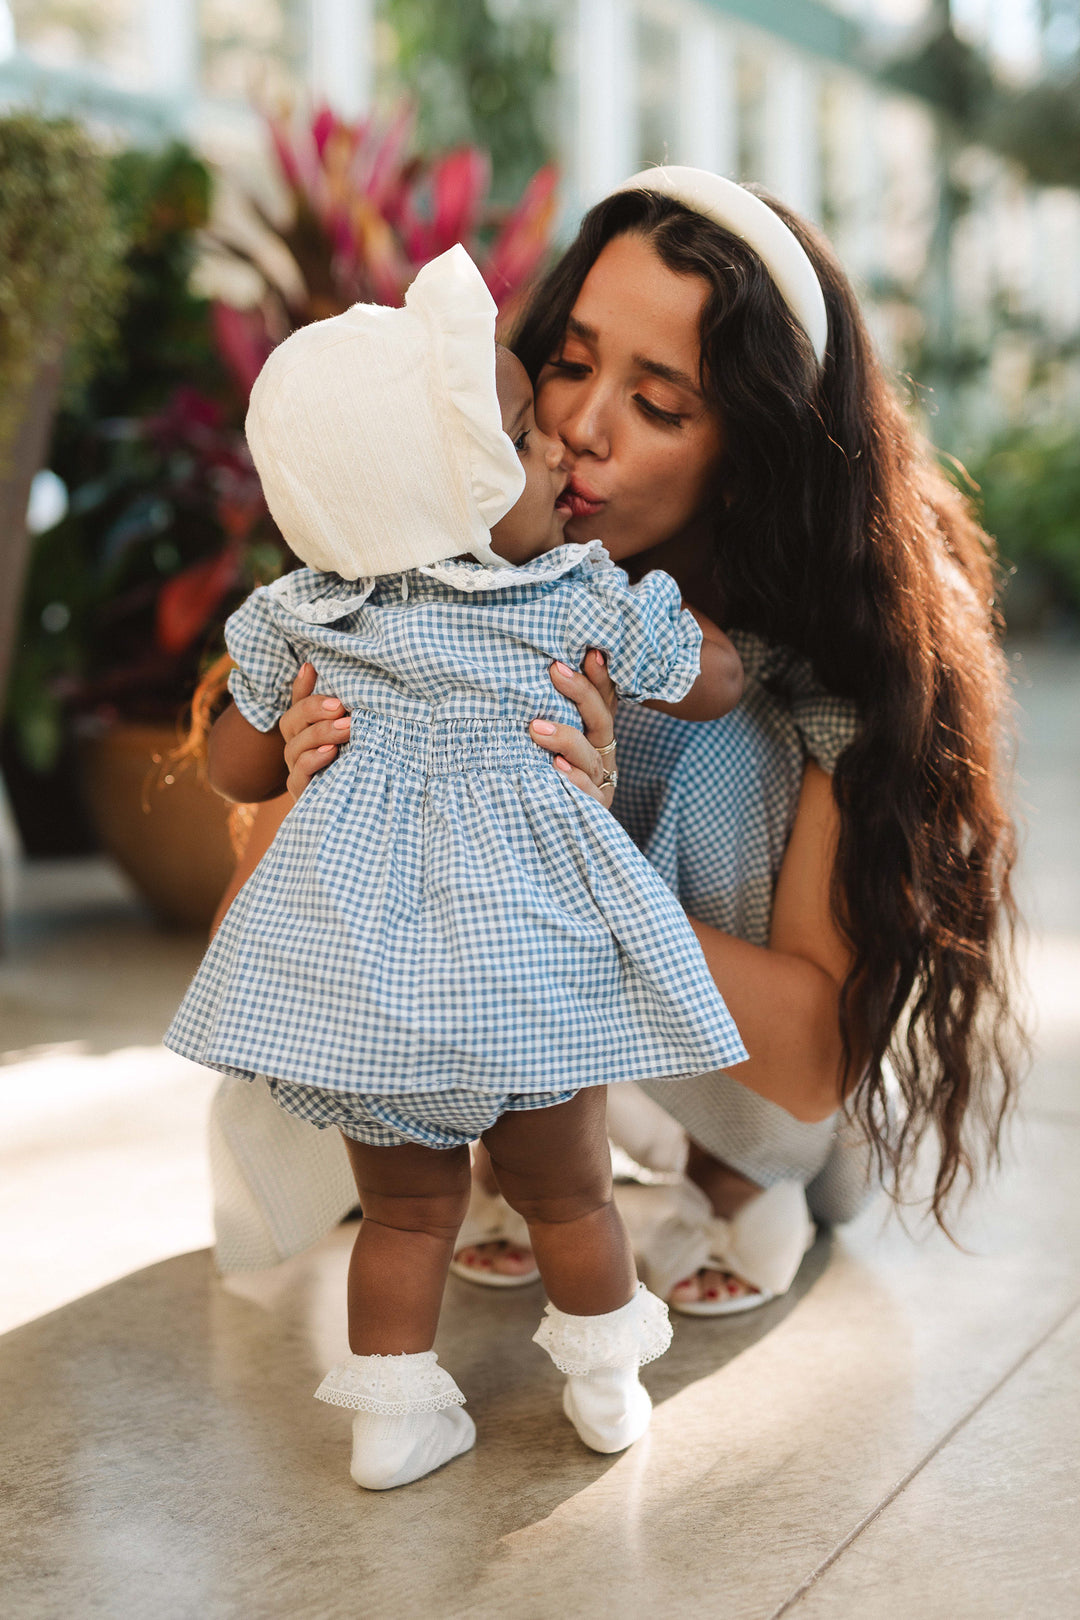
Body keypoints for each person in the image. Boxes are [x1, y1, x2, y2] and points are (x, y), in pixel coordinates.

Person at [201, 166, 1024, 1322]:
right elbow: (252, 939)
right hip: (519, 1037)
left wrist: (562, 854)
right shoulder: (416, 595)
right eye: (571, 365)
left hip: (746, 1083)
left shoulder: (838, 647)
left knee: (720, 740)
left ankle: (738, 1183)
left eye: (662, 404)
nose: (583, 430)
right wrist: (331, 766)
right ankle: (490, 1158)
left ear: (757, 449)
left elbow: (808, 1056)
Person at [167, 243, 753, 1488]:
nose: (558, 449)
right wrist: (652, 623)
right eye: (525, 444)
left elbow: (229, 769)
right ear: (445, 493)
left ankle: (393, 1423)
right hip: (524, 979)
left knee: (407, 1213)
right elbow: (719, 684)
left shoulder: (314, 612)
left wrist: (286, 740)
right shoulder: (561, 596)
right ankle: (605, 1384)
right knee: (573, 1197)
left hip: (374, 995)